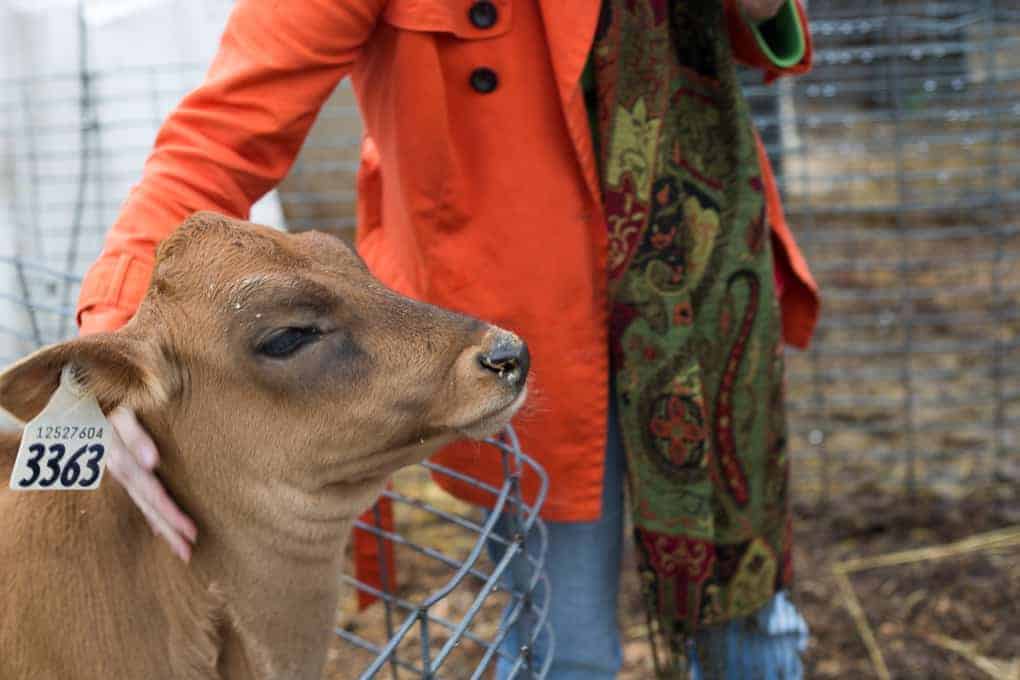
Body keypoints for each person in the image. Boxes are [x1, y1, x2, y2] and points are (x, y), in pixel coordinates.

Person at [78, 0, 820, 677]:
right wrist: (115, 352)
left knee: (750, 617)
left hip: (706, 299)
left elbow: (752, 41)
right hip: (515, 333)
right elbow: (216, 142)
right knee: (569, 645)